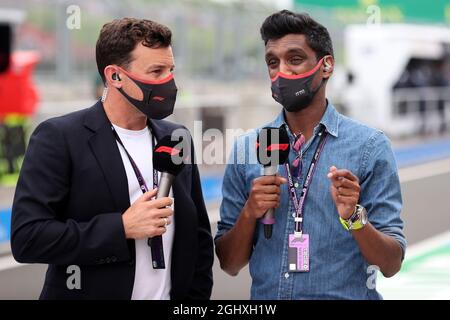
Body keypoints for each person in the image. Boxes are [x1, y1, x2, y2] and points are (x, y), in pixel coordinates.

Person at [11, 18, 213, 300]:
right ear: (115, 76)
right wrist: (121, 228)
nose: (168, 81)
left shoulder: (177, 137)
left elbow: (198, 238)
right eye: (156, 71)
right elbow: (28, 238)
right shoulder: (59, 137)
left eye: (170, 70)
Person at [215, 10, 406, 300]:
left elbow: (391, 264)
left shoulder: (370, 146)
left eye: (294, 59)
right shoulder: (247, 147)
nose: (281, 72)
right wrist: (250, 212)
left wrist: (354, 216)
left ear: (326, 66)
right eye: (272, 62)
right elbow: (229, 263)